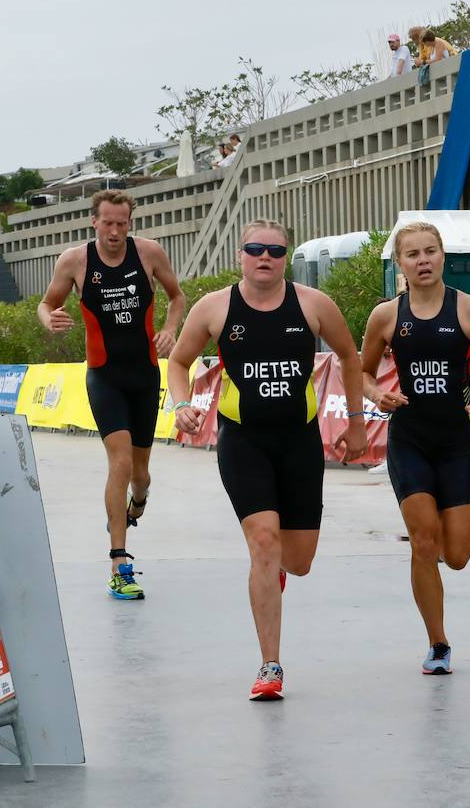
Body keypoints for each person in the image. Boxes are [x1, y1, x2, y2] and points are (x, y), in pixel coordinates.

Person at [167, 218, 366, 700]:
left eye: (275, 251)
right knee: (262, 542)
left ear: (287, 258)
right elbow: (178, 361)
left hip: (299, 441)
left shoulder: (314, 305)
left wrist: (357, 422)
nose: (264, 258)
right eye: (255, 248)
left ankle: (275, 568)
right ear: (240, 254)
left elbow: (349, 355)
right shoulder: (215, 308)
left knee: (297, 561)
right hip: (243, 442)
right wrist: (181, 404)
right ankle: (270, 667)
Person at [360, 222, 470, 675]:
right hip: (410, 439)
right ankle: (438, 643)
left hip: (456, 440)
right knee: (424, 543)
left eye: (430, 252)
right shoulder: (386, 316)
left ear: (443, 256)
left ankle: (440, 547)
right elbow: (361, 373)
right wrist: (375, 394)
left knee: (457, 556)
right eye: (412, 254)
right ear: (400, 264)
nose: (422, 261)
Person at [39, 190, 186, 600]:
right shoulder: (75, 260)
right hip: (103, 376)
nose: (116, 231)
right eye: (108, 223)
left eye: (123, 223)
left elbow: (177, 296)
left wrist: (171, 329)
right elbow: (47, 303)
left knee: (139, 474)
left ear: (130, 222)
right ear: (94, 222)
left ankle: (138, 501)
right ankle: (120, 562)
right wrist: (50, 318)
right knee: (118, 461)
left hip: (144, 375)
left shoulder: (150, 253)